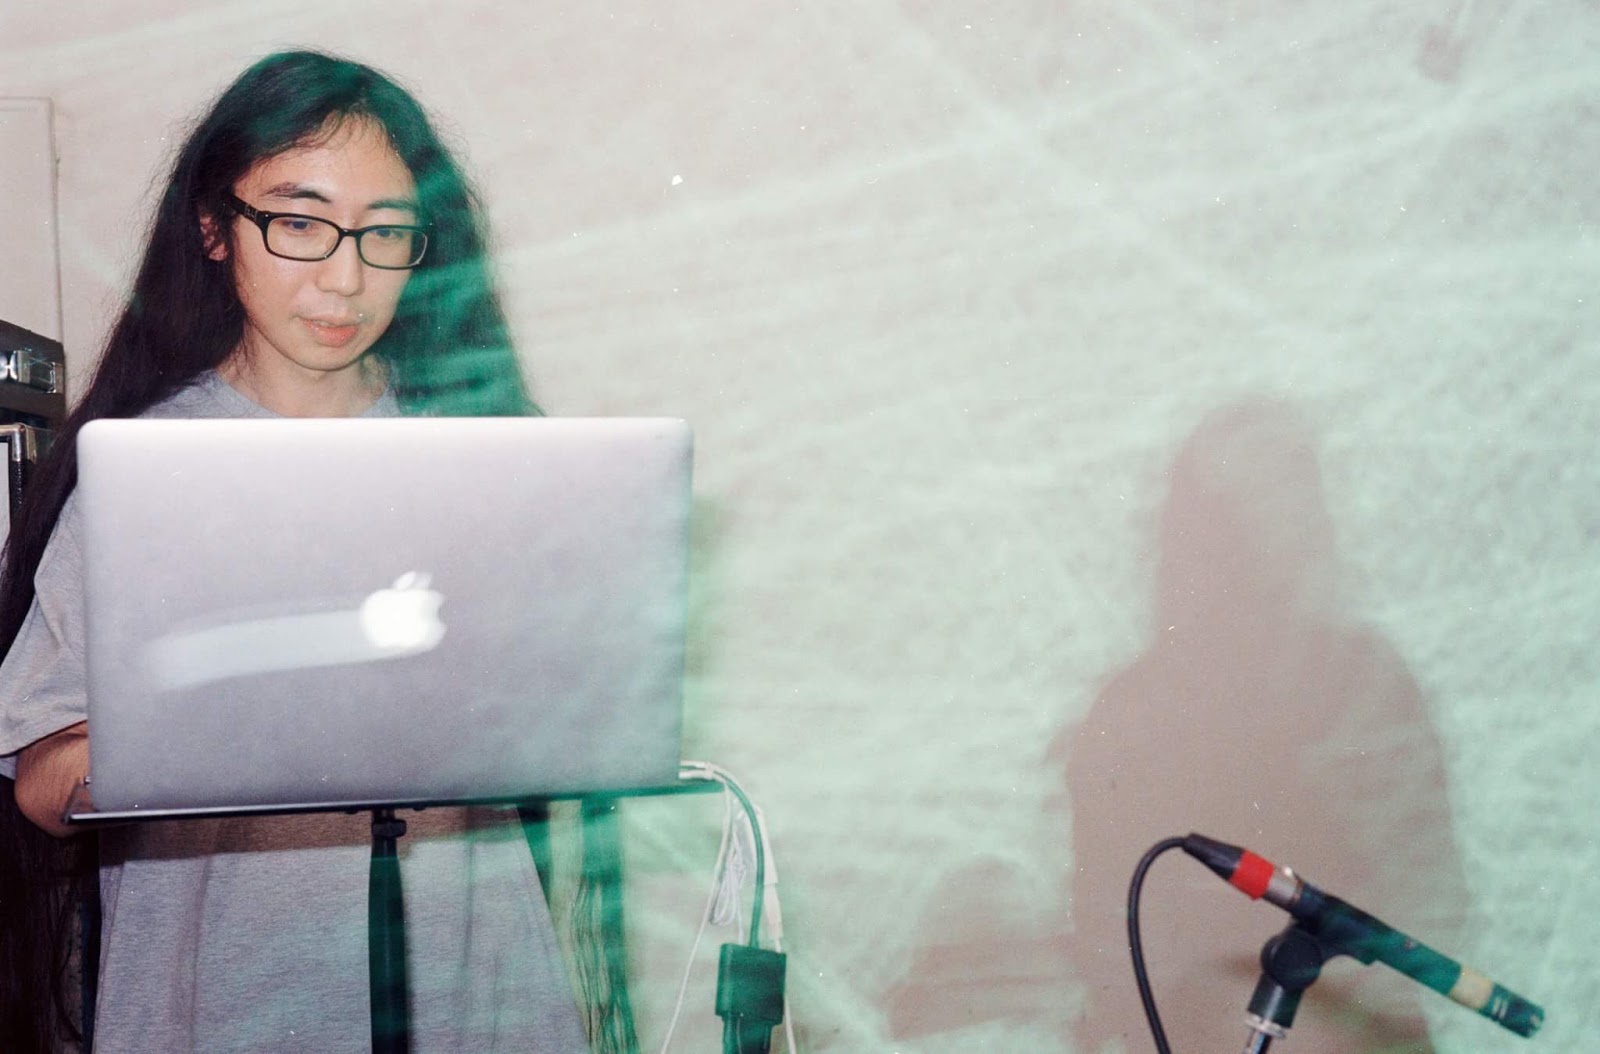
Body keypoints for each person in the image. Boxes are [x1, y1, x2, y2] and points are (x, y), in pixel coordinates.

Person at [0, 50, 598, 1052]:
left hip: (468, 982)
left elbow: (567, 716)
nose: (345, 276)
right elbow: (43, 779)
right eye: (299, 222)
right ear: (214, 229)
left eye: (386, 232)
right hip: (217, 995)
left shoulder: (486, 453)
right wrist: (204, 734)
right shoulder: (145, 468)